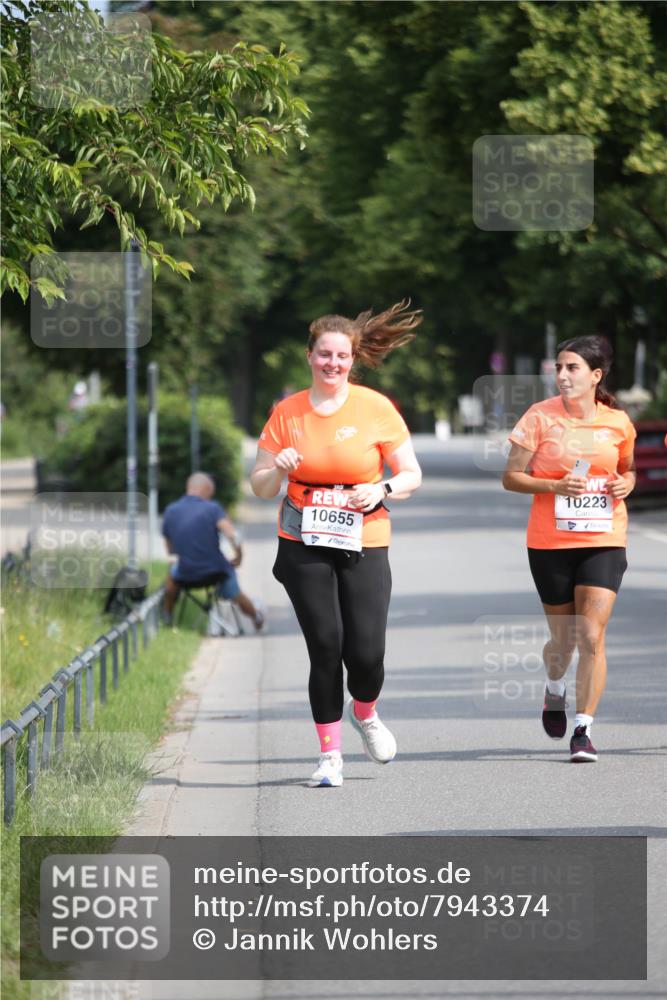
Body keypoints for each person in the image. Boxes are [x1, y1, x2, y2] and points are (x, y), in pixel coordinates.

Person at [250, 299, 423, 787]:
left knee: (365, 654)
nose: (333, 364)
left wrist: (383, 488)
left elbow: (412, 474)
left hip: (365, 535)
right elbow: (260, 486)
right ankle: (330, 757)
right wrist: (277, 469)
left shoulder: (375, 408)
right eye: (324, 354)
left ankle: (364, 710)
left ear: (353, 359)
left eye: (341, 356)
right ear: (310, 356)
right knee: (326, 646)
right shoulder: (287, 413)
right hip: (302, 537)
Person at [502, 336, 636, 762]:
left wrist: (626, 483)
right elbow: (511, 477)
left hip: (604, 539)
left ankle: (584, 729)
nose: (562, 375)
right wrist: (554, 485)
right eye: (559, 367)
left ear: (595, 375)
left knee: (591, 634)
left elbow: (627, 469)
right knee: (563, 642)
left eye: (572, 367)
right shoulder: (539, 418)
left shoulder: (617, 422)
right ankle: (554, 687)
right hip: (550, 542)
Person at [162, 472, 264, 630]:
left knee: (172, 572)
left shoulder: (170, 511)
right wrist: (239, 556)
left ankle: (167, 618)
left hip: (185, 574)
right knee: (234, 589)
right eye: (210, 494)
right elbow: (233, 535)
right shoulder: (213, 509)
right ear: (206, 489)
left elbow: (170, 550)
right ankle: (255, 616)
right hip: (216, 573)